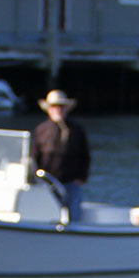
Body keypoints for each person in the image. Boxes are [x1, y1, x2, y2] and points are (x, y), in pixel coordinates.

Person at [31, 89, 90, 223]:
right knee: (47, 217)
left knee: (73, 217)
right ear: (48, 109)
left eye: (61, 106)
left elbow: (85, 156)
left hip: (71, 184)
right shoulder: (41, 129)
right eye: (54, 106)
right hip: (47, 184)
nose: (58, 109)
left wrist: (81, 178)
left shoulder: (77, 130)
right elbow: (34, 156)